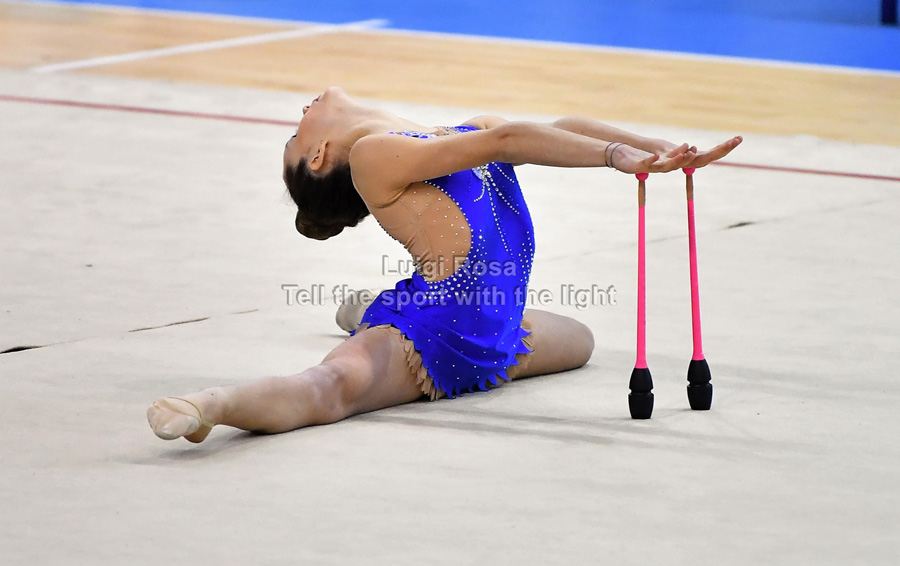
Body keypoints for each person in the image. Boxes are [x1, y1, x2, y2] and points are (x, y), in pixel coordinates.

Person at [147, 86, 742, 443]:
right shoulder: (375, 156)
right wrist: (616, 158)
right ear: (320, 155)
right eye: (294, 137)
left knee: (581, 339)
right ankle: (214, 405)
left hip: (498, 329)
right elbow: (508, 141)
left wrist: (658, 150)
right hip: (432, 338)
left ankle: (367, 311)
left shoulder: (453, 132)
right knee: (331, 390)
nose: (300, 115)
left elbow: (551, 131)